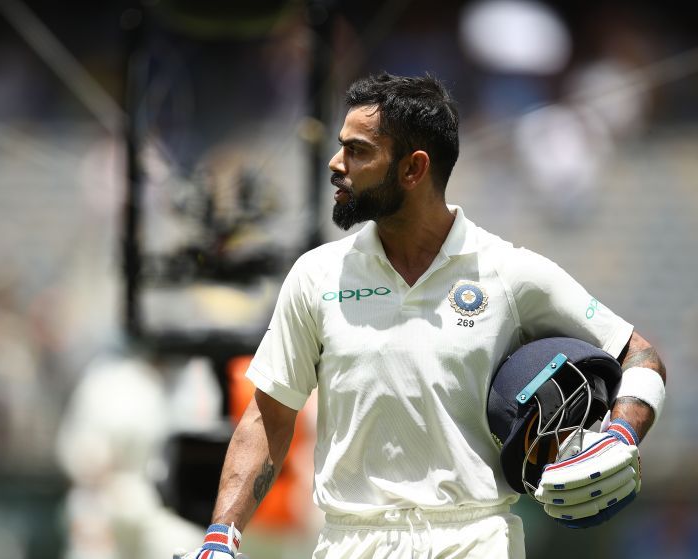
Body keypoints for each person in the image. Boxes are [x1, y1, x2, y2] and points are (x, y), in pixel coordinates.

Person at [178, 72, 667, 559]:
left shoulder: (510, 271)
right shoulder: (316, 275)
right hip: (351, 541)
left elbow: (639, 354)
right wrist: (222, 537)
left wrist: (620, 435)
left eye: (358, 150)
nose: (336, 163)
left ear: (413, 170)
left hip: (474, 537)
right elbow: (270, 414)